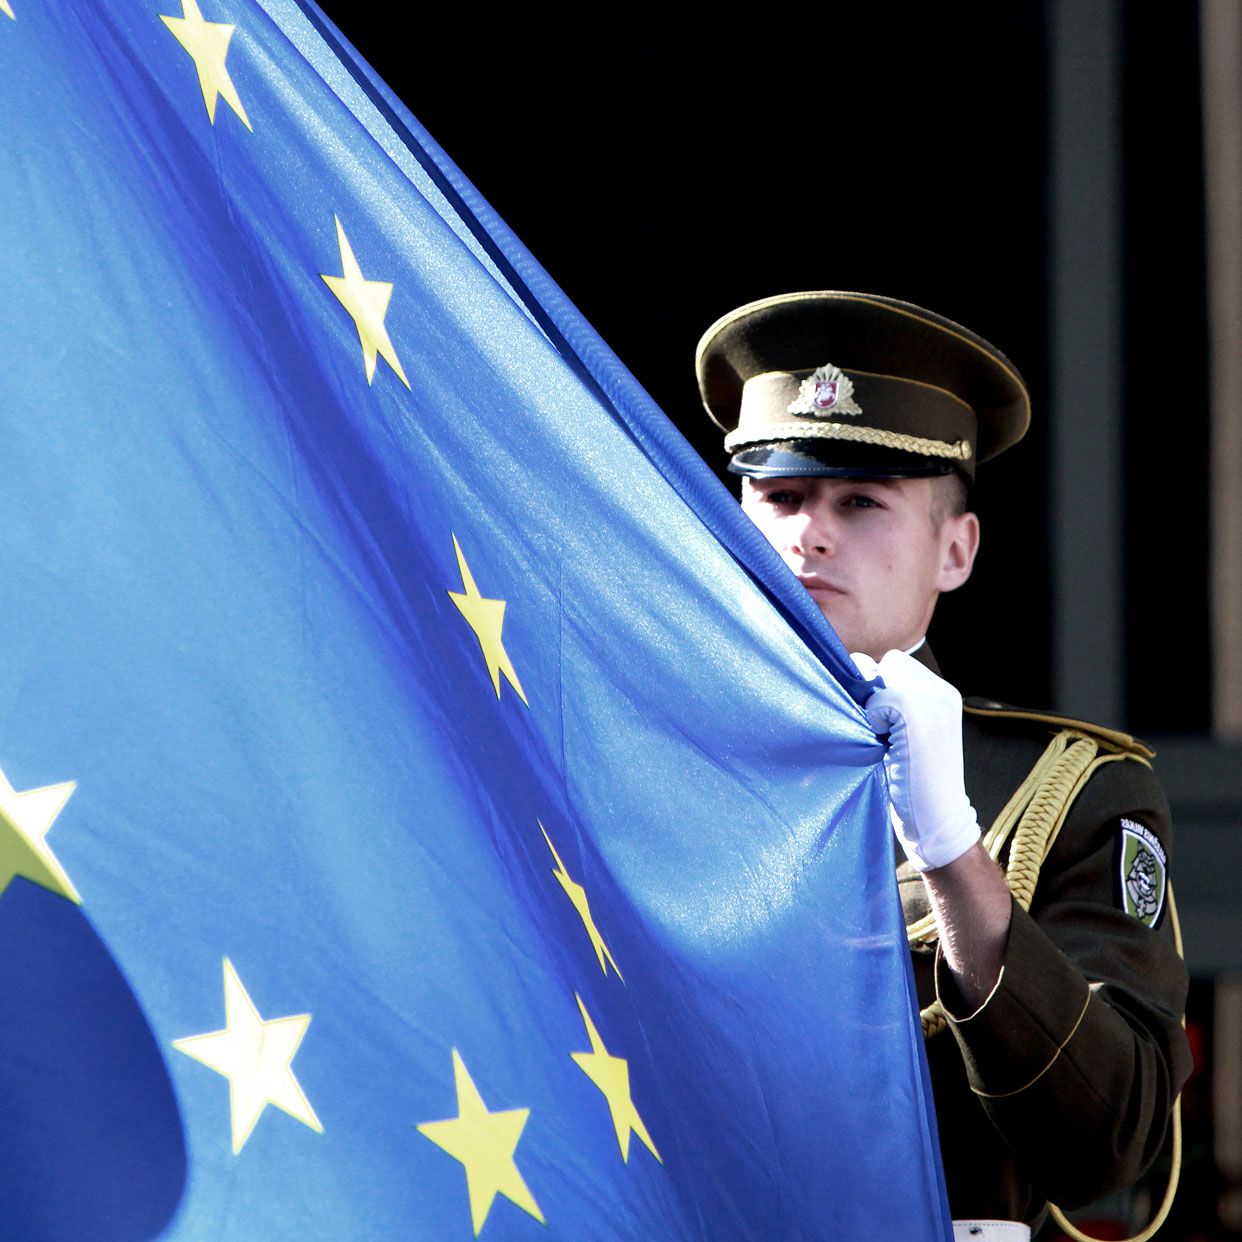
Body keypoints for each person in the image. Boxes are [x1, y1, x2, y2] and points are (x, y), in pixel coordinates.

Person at [695, 291, 1193, 1239]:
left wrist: (954, 853)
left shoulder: (1068, 788)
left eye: (862, 502)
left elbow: (1105, 1147)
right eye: (781, 496)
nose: (810, 535)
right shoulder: (646, 754)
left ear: (954, 551)